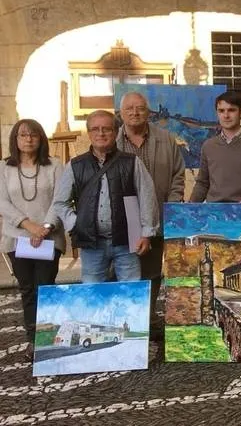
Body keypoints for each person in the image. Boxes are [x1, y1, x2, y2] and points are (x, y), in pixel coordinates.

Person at [51, 110, 158, 283]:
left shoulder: (132, 162)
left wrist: (146, 233)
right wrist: (75, 225)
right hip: (92, 245)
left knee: (130, 296)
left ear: (116, 132)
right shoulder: (75, 165)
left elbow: (147, 198)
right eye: (95, 129)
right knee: (93, 297)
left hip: (127, 243)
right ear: (89, 133)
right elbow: (60, 203)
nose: (101, 133)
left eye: (106, 129)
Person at [117, 91, 185, 349]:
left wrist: (174, 202)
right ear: (121, 113)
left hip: (158, 214)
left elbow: (179, 175)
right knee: (126, 268)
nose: (135, 113)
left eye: (140, 108)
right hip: (123, 219)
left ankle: (147, 317)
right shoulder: (113, 141)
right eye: (129, 109)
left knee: (154, 269)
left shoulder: (166, 139)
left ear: (148, 112)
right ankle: (129, 320)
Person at [0, 120, 65, 340]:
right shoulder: (3, 167)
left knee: (46, 289)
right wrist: (30, 226)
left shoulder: (55, 166)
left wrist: (45, 228)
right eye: (23, 135)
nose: (28, 139)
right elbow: (2, 202)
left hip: (49, 238)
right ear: (15, 140)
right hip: (17, 239)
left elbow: (60, 199)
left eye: (33, 135)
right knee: (28, 291)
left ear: (41, 138)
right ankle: (33, 341)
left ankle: (49, 340)